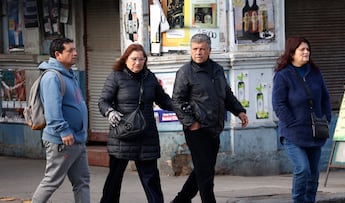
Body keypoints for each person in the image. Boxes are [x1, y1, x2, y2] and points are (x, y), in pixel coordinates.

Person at [171, 33, 249, 203]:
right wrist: (191, 123)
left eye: (202, 49)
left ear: (209, 50)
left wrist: (239, 111)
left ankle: (180, 200)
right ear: (190, 51)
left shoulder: (217, 70)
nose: (198, 52)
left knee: (202, 170)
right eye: (195, 49)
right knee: (206, 173)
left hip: (214, 128)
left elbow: (226, 94)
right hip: (197, 130)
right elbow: (177, 101)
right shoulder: (185, 72)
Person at [98, 43, 173, 203]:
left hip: (146, 135)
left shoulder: (150, 77)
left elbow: (164, 100)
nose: (137, 63)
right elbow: (103, 101)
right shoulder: (116, 76)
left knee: (151, 179)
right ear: (125, 59)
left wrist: (181, 107)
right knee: (114, 179)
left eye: (141, 59)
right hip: (122, 135)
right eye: (133, 59)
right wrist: (109, 111)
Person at [272, 37, 331, 203]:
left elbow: (325, 97)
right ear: (292, 53)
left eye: (307, 49)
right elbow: (278, 103)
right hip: (293, 134)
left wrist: (326, 117)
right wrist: (290, 122)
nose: (306, 52)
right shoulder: (283, 76)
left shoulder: (315, 72)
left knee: (313, 174)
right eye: (302, 50)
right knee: (302, 169)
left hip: (314, 132)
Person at [32, 38, 90, 203]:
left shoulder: (69, 74)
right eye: (70, 51)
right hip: (62, 141)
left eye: (74, 49)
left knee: (82, 182)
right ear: (58, 54)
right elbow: (52, 110)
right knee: (51, 181)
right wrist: (63, 130)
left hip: (77, 139)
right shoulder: (52, 77)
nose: (75, 53)